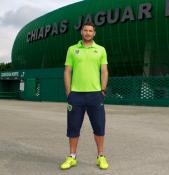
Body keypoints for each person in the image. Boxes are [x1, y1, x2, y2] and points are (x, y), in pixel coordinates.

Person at [60, 21, 109, 170]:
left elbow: (104, 71)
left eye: (90, 31)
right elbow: (67, 71)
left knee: (99, 127)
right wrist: (69, 92)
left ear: (94, 33)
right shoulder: (72, 49)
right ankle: (72, 157)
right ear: (81, 32)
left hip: (95, 95)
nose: (87, 33)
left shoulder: (100, 50)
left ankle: (101, 156)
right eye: (85, 30)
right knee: (73, 127)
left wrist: (103, 90)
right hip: (76, 96)